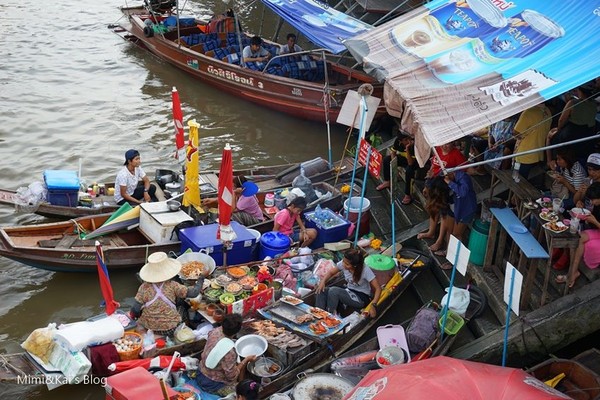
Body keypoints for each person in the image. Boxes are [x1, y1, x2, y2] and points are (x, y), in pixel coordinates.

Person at [130, 252, 202, 336]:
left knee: (144, 308)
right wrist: (201, 279)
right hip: (170, 329)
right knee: (182, 307)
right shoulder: (172, 285)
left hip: (149, 327)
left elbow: (135, 309)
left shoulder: (143, 287)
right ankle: (186, 326)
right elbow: (194, 293)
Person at [196, 313, 256, 396]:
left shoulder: (215, 331)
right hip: (212, 384)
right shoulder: (230, 352)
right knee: (239, 394)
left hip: (200, 372)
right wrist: (246, 360)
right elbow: (231, 376)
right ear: (237, 332)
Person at [555, 183, 600, 288]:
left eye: (594, 200)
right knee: (578, 238)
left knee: (584, 242)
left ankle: (571, 274)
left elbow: (596, 222)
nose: (593, 202)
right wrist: (583, 209)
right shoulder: (598, 205)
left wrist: (595, 221)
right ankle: (573, 272)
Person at [315, 248, 381, 318]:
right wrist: (322, 282)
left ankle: (330, 317)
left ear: (355, 266)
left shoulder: (365, 270)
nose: (343, 264)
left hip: (361, 297)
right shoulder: (343, 263)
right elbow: (331, 272)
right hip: (348, 290)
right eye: (343, 261)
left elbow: (378, 288)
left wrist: (373, 304)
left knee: (334, 291)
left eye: (347, 264)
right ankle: (318, 314)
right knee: (322, 290)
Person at [376, 131, 421, 206]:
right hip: (403, 158)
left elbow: (410, 163)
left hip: (413, 162)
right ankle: (387, 181)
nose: (408, 141)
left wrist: (407, 149)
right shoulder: (397, 141)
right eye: (405, 140)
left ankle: (408, 194)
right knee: (387, 160)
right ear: (400, 141)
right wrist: (394, 167)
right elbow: (393, 153)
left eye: (408, 139)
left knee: (409, 171)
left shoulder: (413, 146)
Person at [513, 103, 552, 180]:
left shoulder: (529, 112)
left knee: (517, 178)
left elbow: (515, 132)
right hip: (538, 153)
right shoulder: (547, 111)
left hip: (524, 154)